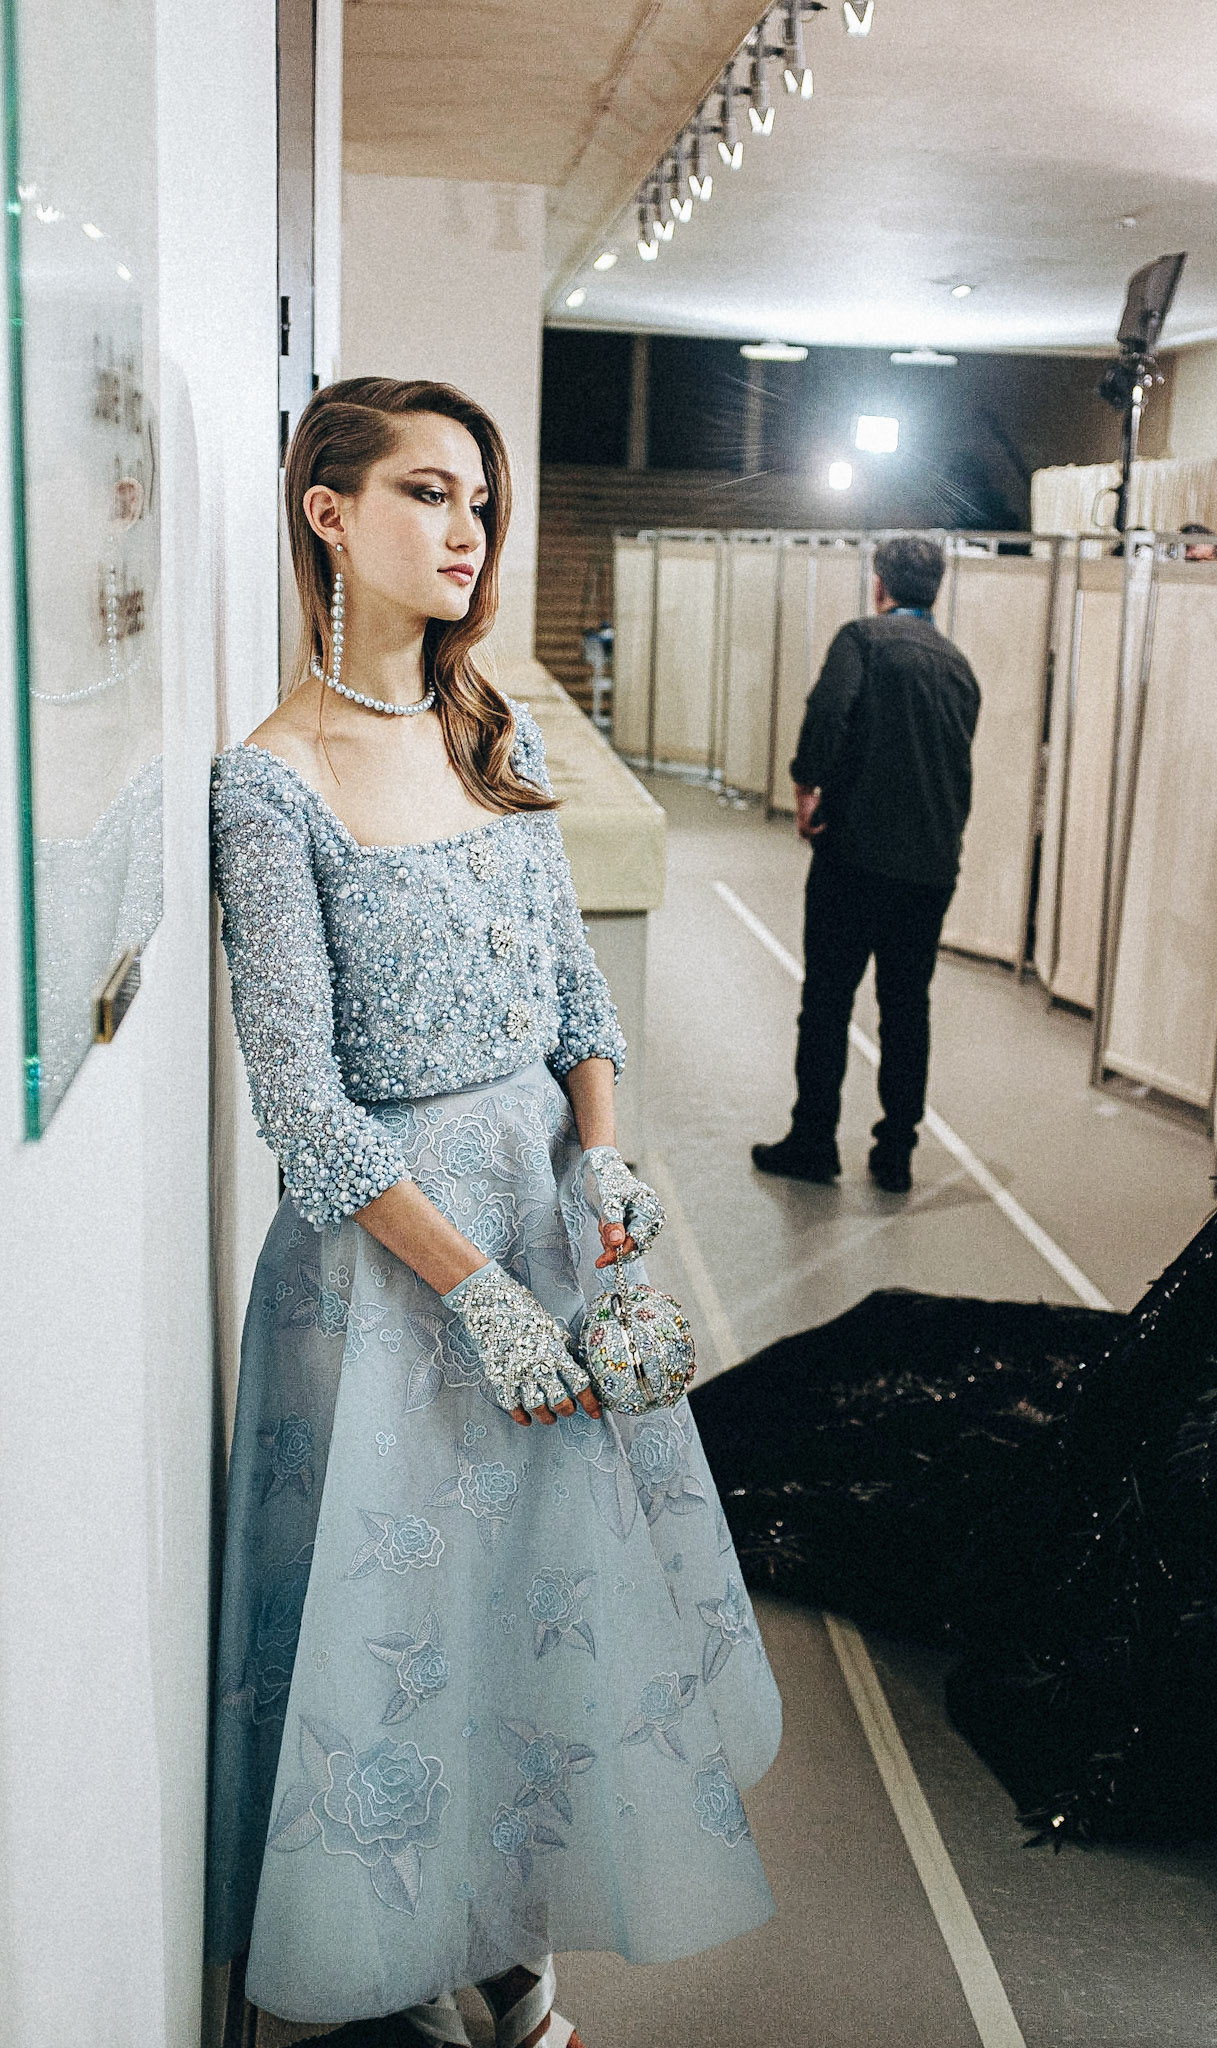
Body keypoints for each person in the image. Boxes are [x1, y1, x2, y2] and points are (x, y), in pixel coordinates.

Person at [206, 377, 781, 2048]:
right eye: (430, 495)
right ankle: (398, 1946)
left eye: (482, 506)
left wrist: (602, 1176)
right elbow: (303, 1104)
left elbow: (576, 1000)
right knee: (413, 1620)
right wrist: (480, 1294)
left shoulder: (493, 731)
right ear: (330, 510)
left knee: (549, 1598)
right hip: (393, 1280)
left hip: (543, 1219)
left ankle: (515, 1944)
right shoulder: (271, 783)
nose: (468, 536)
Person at [751, 534, 980, 1195]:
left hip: (854, 855)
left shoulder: (861, 640)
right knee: (907, 1009)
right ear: (933, 588)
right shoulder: (958, 665)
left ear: (879, 583)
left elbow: (828, 709)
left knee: (826, 1000)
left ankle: (813, 1141)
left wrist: (805, 784)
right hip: (930, 868)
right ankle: (895, 1155)